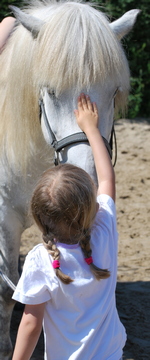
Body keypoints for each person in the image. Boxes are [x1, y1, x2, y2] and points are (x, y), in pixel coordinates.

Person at [12, 94, 126, 360]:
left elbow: (31, 323)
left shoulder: (41, 260)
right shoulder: (104, 231)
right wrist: (92, 130)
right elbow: (107, 178)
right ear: (93, 208)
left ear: (40, 218)